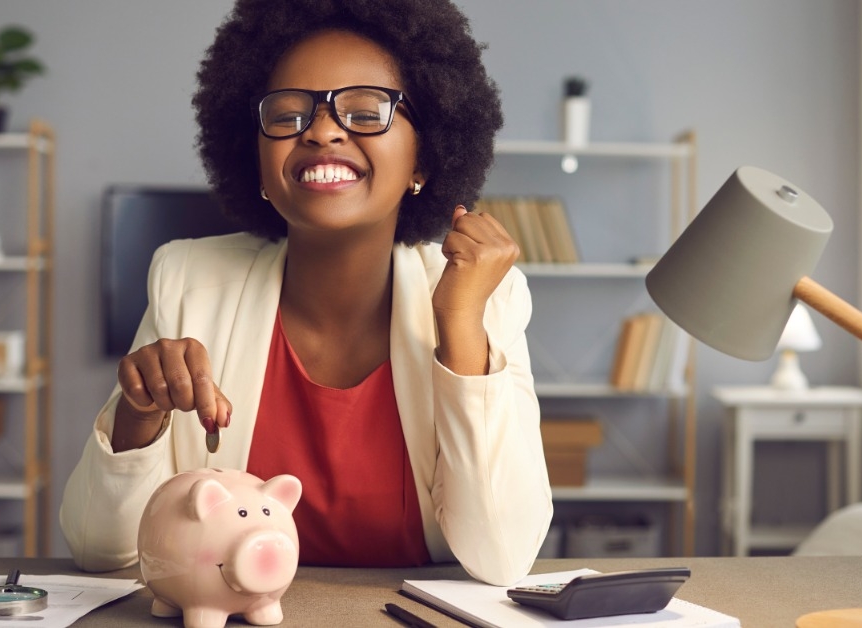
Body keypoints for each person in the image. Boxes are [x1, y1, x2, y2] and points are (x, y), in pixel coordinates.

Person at [60, 0, 552, 586]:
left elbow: (502, 556)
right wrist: (140, 415)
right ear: (260, 164)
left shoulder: (484, 297)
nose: (321, 131)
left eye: (367, 110)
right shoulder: (188, 280)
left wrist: (462, 327)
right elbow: (100, 551)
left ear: (425, 156)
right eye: (289, 114)